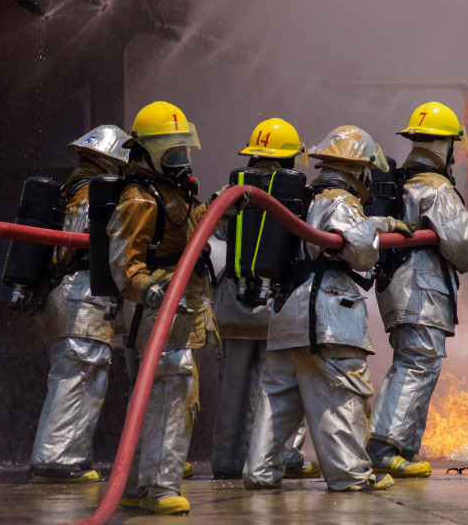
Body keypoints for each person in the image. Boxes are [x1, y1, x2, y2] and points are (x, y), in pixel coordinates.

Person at [243, 125, 413, 492]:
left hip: (288, 313)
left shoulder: (306, 196)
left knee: (278, 402)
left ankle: (260, 472)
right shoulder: (341, 200)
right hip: (328, 316)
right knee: (342, 394)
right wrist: (378, 231)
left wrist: (378, 223)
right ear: (360, 169)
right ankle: (350, 475)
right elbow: (362, 251)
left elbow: (338, 232)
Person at [368, 102, 468, 478]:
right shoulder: (437, 187)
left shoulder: (404, 182)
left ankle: (403, 451)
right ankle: (382, 447)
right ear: (446, 146)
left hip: (397, 287)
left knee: (415, 362)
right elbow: (458, 245)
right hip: (422, 290)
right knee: (416, 364)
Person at [108, 101, 217, 516]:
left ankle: (138, 484)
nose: (181, 160)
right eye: (172, 153)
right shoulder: (139, 198)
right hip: (157, 311)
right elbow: (126, 265)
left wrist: (219, 206)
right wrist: (152, 292)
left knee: (156, 397)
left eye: (183, 151)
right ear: (149, 153)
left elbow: (188, 234)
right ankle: (159, 486)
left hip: (177, 308)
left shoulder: (171, 193)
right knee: (173, 396)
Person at [211, 118, 318, 479]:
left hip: (232, 304)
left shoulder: (233, 190)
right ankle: (279, 458)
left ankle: (227, 462)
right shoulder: (298, 196)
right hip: (276, 308)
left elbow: (216, 235)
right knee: (275, 388)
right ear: (290, 158)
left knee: (232, 391)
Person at [28, 125, 130, 483]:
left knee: (75, 374)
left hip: (61, 293)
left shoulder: (70, 189)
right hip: (80, 293)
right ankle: (59, 459)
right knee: (80, 374)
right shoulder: (94, 194)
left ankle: (68, 456)